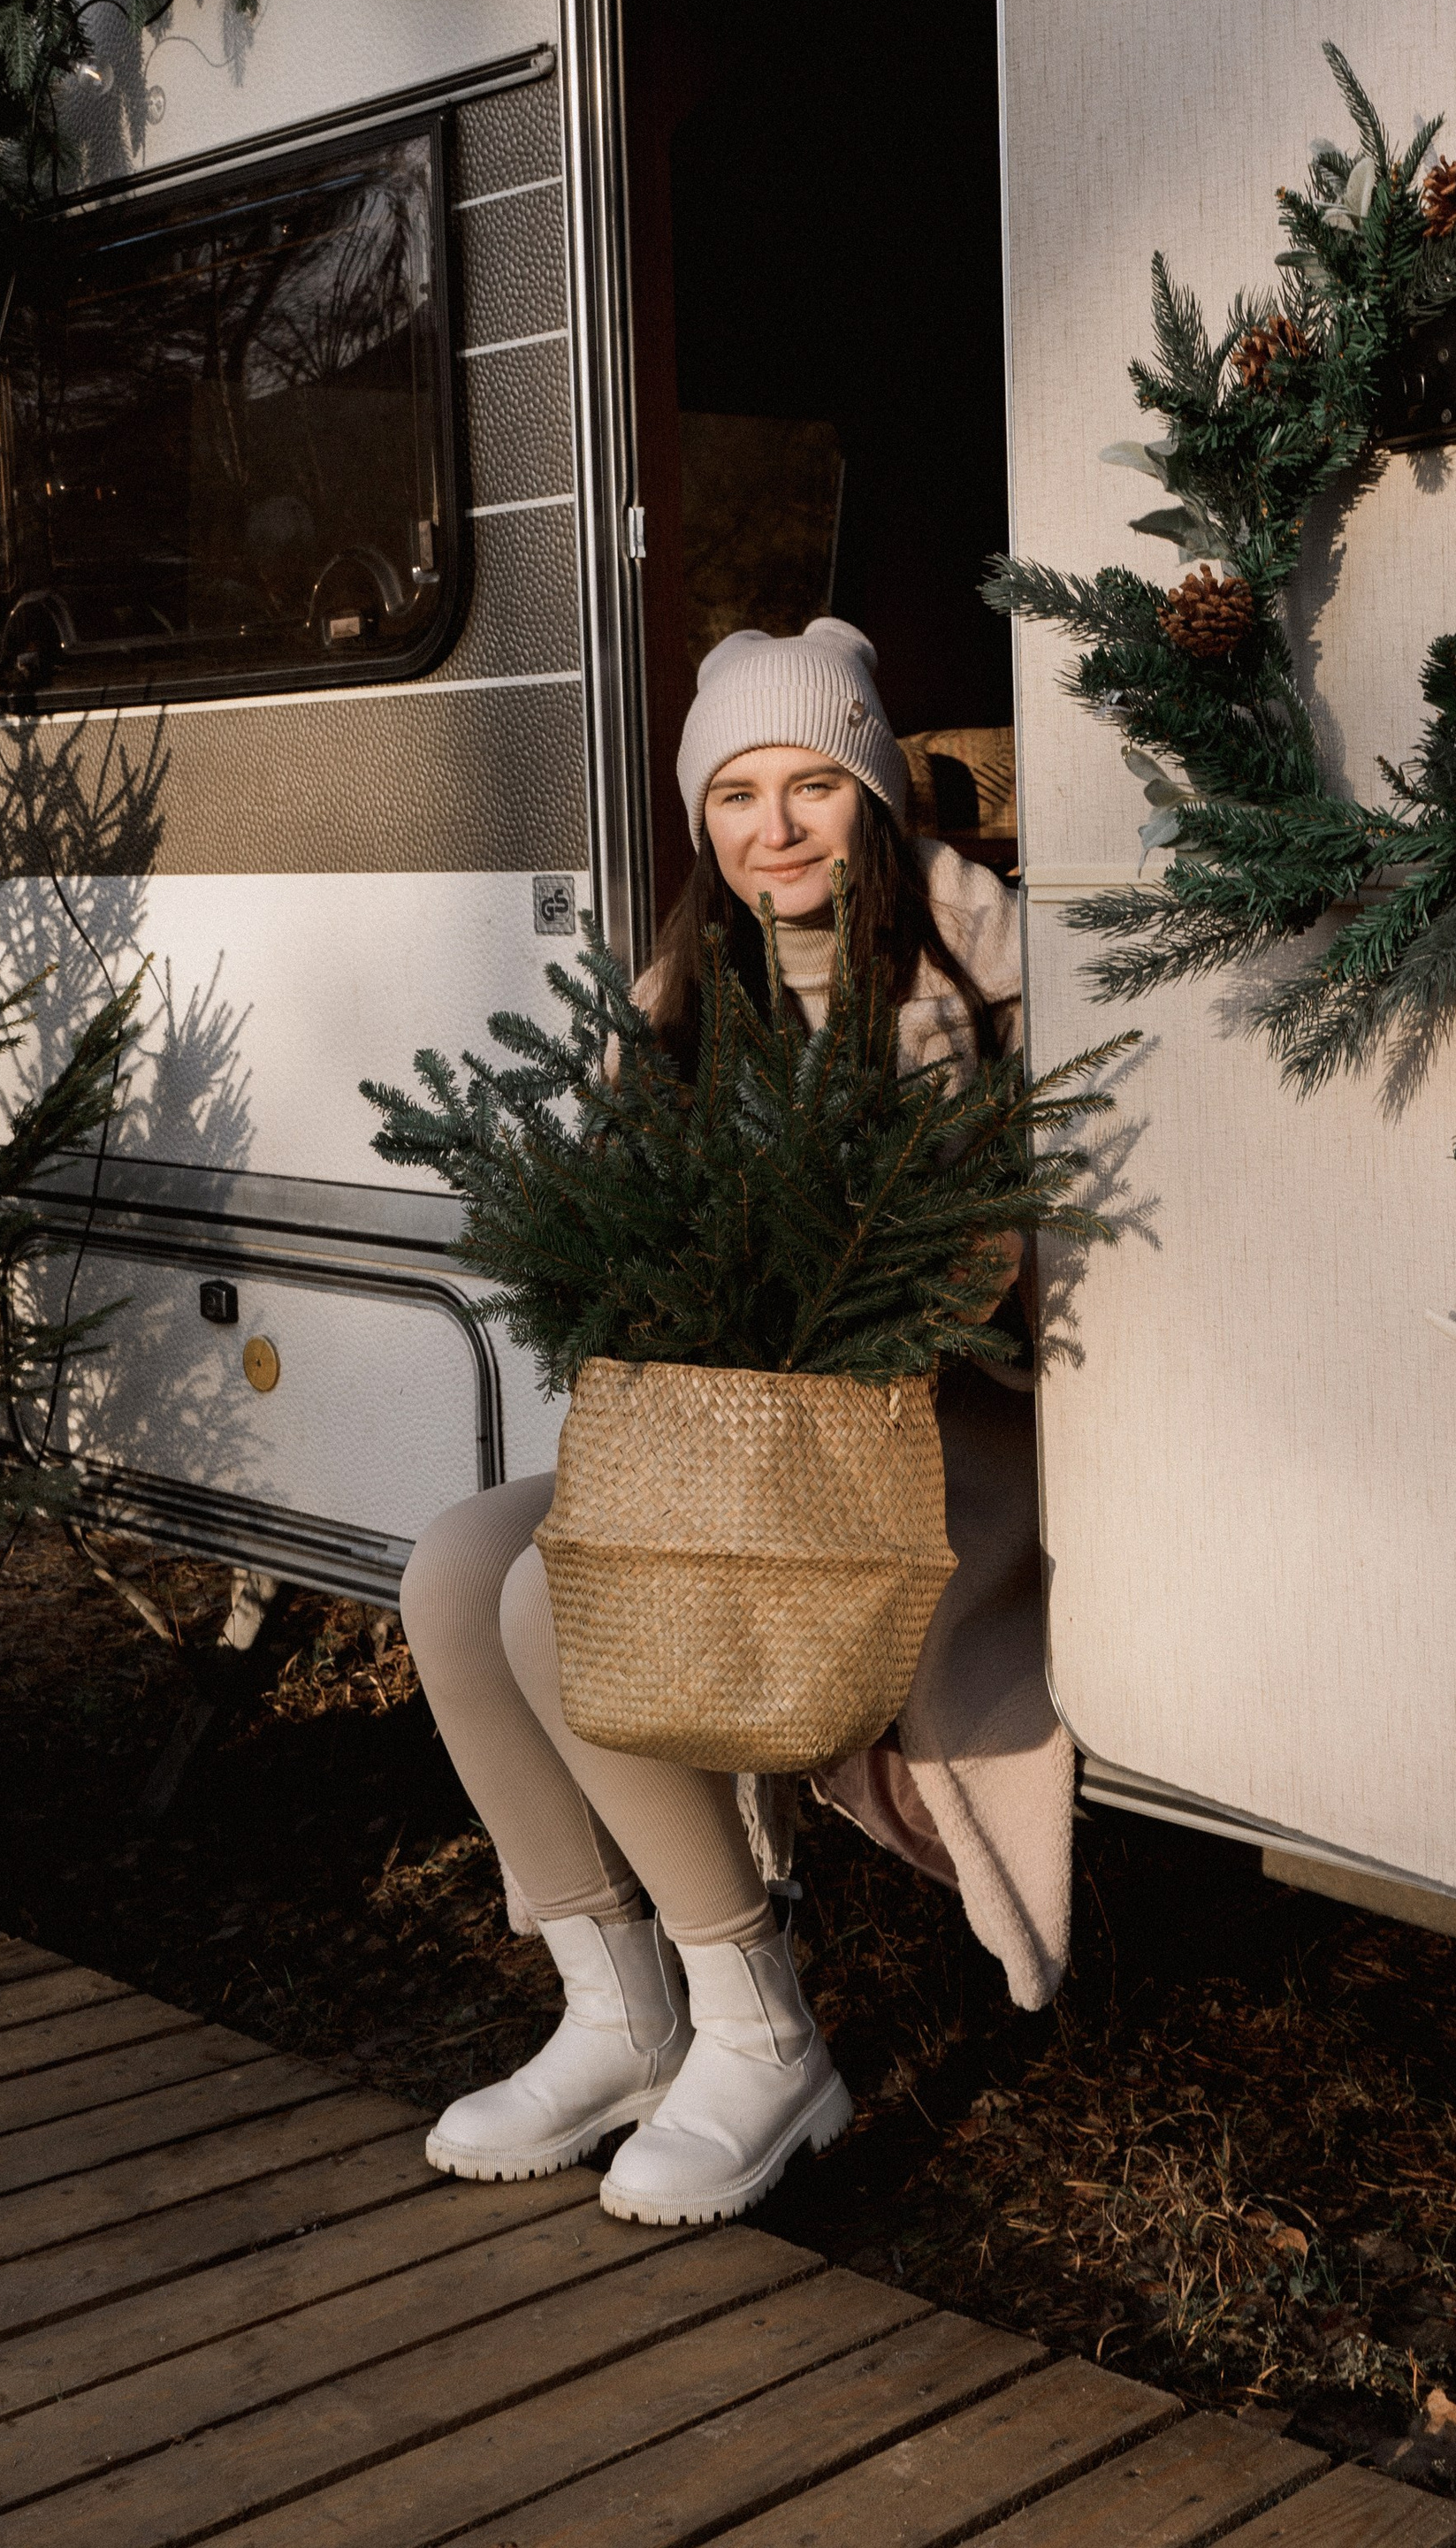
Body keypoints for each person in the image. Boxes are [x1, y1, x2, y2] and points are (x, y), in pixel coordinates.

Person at [400, 617, 1072, 2231]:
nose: (773, 828)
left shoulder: (978, 970)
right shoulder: (691, 990)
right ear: (701, 818)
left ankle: (765, 2034)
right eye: (736, 795)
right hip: (735, 1446)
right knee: (450, 1568)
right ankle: (620, 2010)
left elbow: (1010, 1270)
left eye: (812, 785)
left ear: (876, 796)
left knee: (566, 1592)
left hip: (929, 1461)